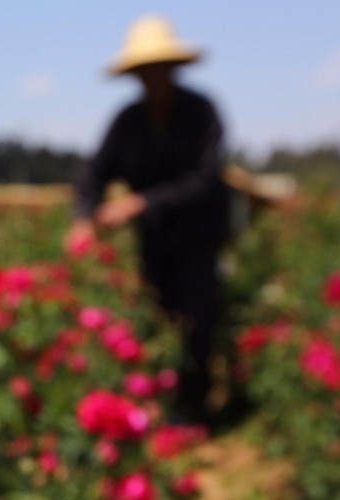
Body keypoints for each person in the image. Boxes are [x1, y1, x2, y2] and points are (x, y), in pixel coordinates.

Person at [68, 16, 232, 424]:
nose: (151, 79)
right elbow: (94, 172)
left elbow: (203, 179)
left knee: (196, 317)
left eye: (158, 70)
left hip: (199, 233)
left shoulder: (201, 112)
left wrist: (141, 203)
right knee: (157, 316)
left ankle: (196, 412)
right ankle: (164, 402)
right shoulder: (128, 121)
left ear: (173, 69)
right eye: (144, 72)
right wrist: (84, 217)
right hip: (155, 241)